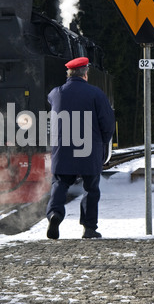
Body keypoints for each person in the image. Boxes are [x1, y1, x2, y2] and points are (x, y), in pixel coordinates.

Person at [46, 56, 115, 239]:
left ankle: (55, 214)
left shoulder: (56, 93)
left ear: (69, 74)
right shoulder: (96, 94)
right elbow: (108, 123)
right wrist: (101, 142)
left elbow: (51, 103)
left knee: (60, 183)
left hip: (64, 150)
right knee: (91, 188)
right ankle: (89, 228)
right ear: (85, 74)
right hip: (89, 149)